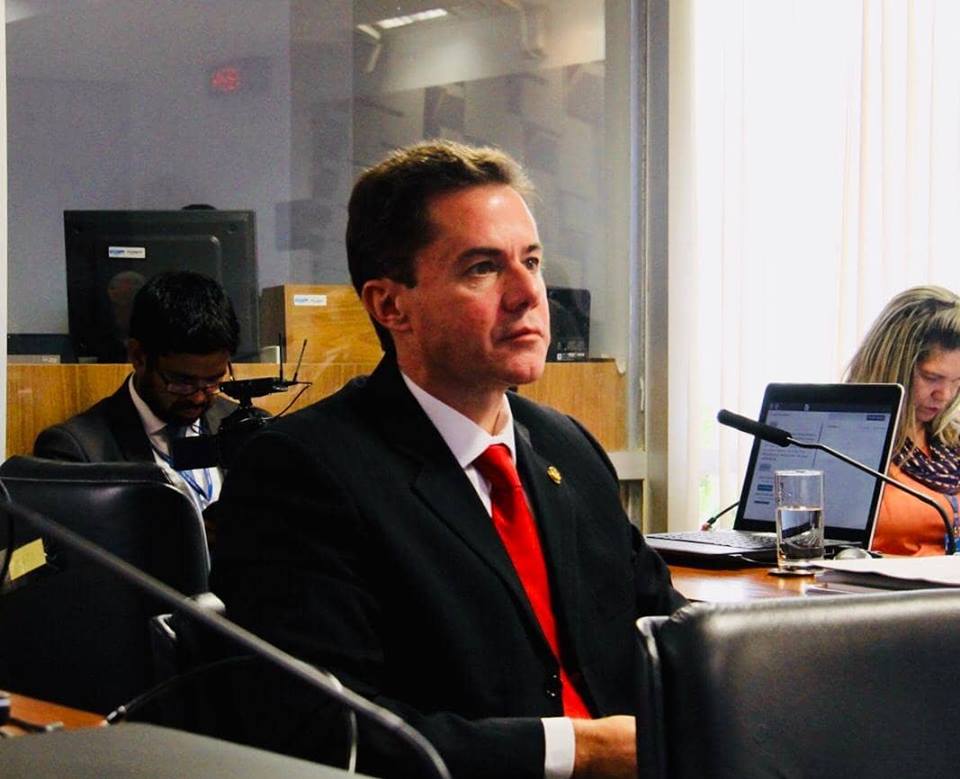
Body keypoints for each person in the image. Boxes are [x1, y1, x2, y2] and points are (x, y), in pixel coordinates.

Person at [209, 140, 686, 779]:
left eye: (532, 261)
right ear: (390, 305)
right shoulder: (303, 471)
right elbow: (320, 727)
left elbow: (665, 628)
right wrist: (582, 752)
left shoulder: (567, 446)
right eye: (483, 268)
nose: (529, 294)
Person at [33, 270, 241, 512]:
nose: (198, 397)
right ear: (138, 356)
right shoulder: (76, 451)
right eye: (182, 382)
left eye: (213, 381)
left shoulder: (243, 428)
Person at [845, 285, 960, 555]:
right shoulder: (846, 443)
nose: (945, 395)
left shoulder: (952, 441)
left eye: (957, 381)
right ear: (892, 367)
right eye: (931, 378)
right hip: (883, 581)